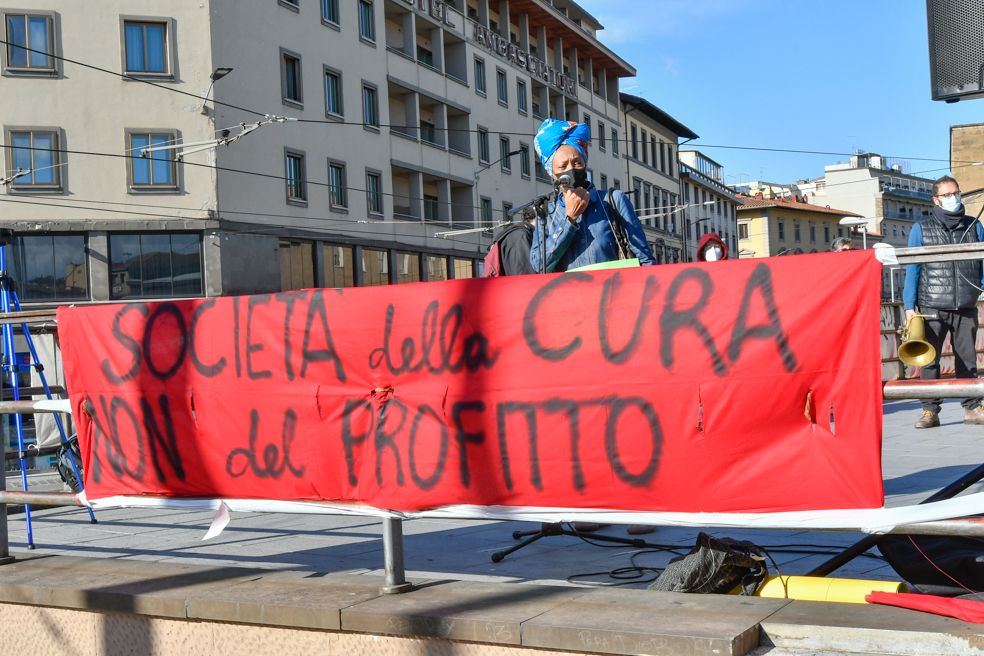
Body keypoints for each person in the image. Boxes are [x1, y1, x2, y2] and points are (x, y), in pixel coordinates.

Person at [902, 175, 984, 428]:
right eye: (947, 194)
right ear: (936, 200)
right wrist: (909, 306)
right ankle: (930, 411)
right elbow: (912, 269)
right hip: (931, 306)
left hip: (966, 305)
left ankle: (972, 407)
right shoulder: (921, 228)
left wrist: (980, 288)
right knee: (929, 360)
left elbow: (982, 262)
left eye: (956, 193)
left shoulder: (975, 226)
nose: (953, 198)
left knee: (968, 360)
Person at [530, 119, 655, 272]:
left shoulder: (613, 201)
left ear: (585, 163)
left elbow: (645, 259)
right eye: (563, 166)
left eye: (577, 163)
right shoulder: (546, 215)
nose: (571, 169)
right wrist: (569, 220)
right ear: (552, 173)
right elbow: (539, 267)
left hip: (614, 287)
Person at [490, 207, 536, 276]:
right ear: (537, 218)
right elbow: (525, 269)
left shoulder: (515, 233)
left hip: (510, 280)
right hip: (520, 280)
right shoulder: (521, 235)